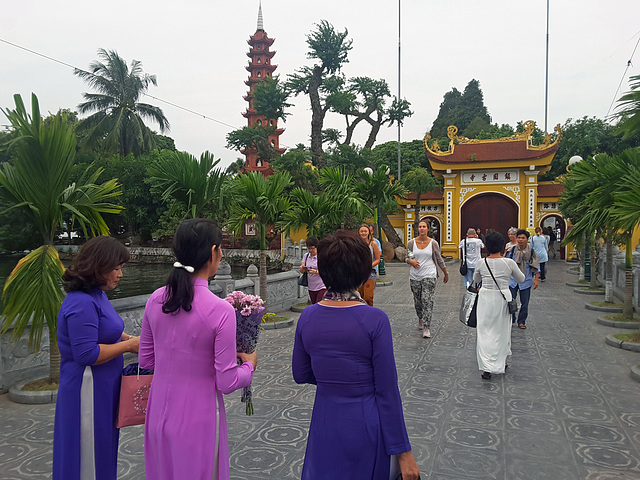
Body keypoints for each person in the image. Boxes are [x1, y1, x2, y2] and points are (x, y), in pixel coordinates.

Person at [292, 230, 420, 480]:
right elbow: (387, 390)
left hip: (325, 419)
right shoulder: (374, 320)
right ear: (363, 271)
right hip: (365, 420)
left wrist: (334, 378)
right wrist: (403, 451)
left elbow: (301, 373)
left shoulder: (307, 317)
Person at [139, 219, 257, 480]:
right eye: (221, 248)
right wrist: (249, 365)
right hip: (198, 419)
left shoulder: (155, 299)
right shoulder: (221, 310)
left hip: (157, 413)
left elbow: (146, 358)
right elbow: (227, 381)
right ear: (213, 252)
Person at [53, 236, 140, 480]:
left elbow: (107, 329)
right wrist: (128, 346)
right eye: (116, 268)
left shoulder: (97, 295)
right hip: (87, 389)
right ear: (98, 267)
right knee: (87, 452)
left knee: (103, 445)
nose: (120, 274)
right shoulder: (80, 303)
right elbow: (87, 354)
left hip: (103, 386)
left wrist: (128, 339)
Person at [473, 231, 525, 380]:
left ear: (486, 246)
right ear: (502, 246)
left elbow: (476, 279)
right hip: (503, 296)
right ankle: (501, 361)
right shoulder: (509, 262)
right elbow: (520, 279)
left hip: (486, 297)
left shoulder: (481, 262)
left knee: (485, 331)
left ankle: (486, 367)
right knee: (502, 330)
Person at [406, 220, 449, 338]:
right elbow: (407, 256)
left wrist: (445, 272)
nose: (422, 229)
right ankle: (420, 317)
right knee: (418, 301)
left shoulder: (433, 243)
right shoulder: (411, 243)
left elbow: (439, 259)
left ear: (428, 229)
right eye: (420, 227)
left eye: (424, 227)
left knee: (427, 300)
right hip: (415, 276)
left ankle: (426, 327)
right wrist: (411, 261)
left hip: (429, 274)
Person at [505, 229, 540, 329]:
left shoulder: (532, 251)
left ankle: (522, 321)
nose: (520, 240)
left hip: (526, 280)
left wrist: (536, 280)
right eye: (519, 237)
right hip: (512, 280)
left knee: (525, 303)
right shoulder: (512, 250)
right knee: (510, 300)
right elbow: (506, 264)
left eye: (523, 238)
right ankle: (512, 318)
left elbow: (537, 266)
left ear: (527, 239)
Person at [357, 224, 381, 306]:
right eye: (361, 231)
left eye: (365, 231)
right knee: (359, 296)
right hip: (358, 273)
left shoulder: (373, 244)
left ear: (369, 233)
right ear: (359, 233)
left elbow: (378, 259)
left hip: (370, 272)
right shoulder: (356, 244)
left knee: (368, 297)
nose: (363, 233)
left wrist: (369, 265)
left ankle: (369, 312)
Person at [300, 236, 326, 304]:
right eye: (309, 248)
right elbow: (302, 270)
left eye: (312, 248)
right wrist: (302, 268)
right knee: (314, 304)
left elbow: (326, 271)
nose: (310, 250)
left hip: (321, 285)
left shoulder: (321, 256)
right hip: (311, 286)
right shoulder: (306, 256)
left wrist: (315, 272)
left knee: (319, 304)